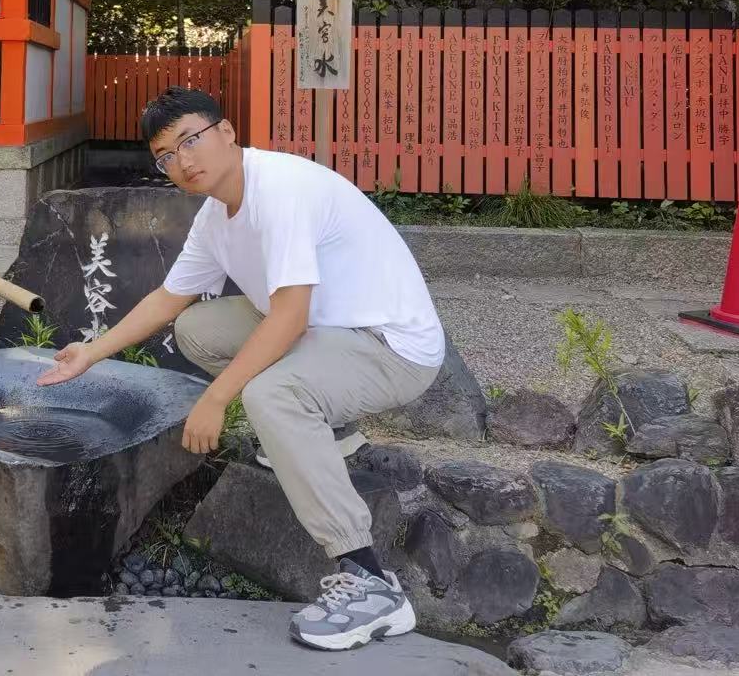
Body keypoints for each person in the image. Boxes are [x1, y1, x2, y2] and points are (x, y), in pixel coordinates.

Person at [37, 86, 446, 651]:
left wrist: (216, 398)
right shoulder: (216, 218)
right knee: (197, 330)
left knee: (273, 395)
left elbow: (290, 317)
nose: (183, 160)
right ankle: (331, 431)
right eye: (166, 154)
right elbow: (168, 299)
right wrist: (91, 351)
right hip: (334, 330)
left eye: (191, 140)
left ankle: (372, 583)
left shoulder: (278, 190)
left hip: (389, 344)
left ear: (227, 132)